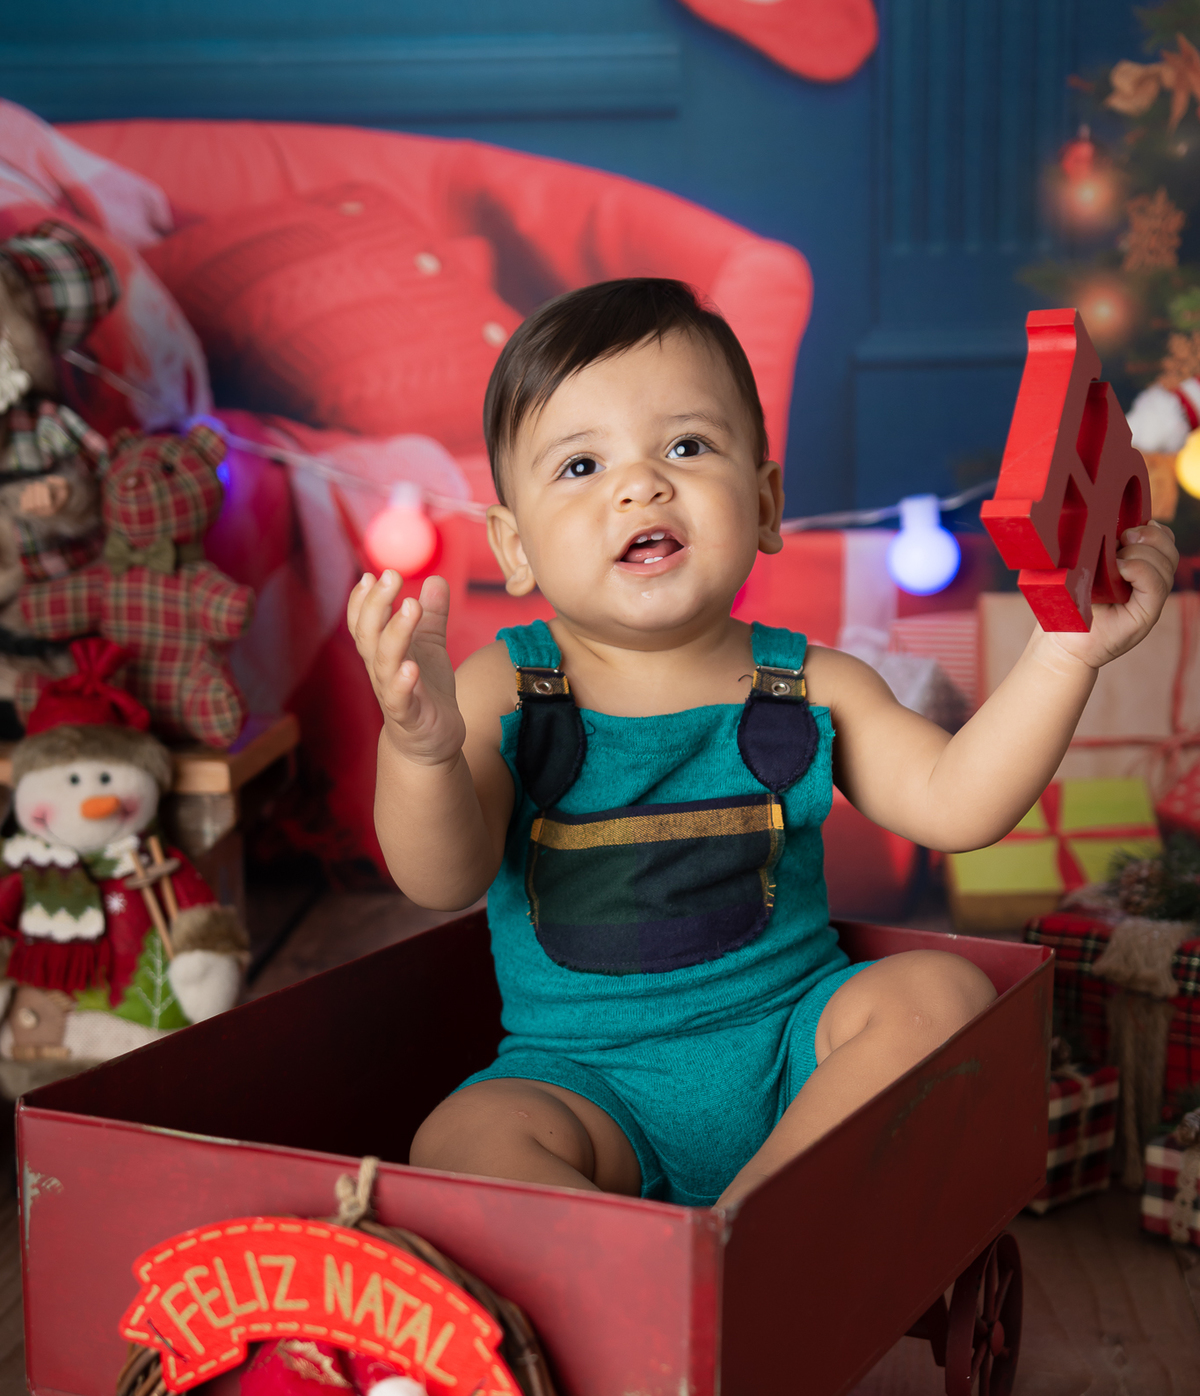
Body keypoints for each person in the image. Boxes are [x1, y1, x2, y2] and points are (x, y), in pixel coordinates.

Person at [348, 278, 1176, 1210]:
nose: (640, 483)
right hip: (587, 1083)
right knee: (459, 1137)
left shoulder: (811, 683)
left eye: (687, 446)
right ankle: (640, 1255)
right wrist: (419, 752)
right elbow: (441, 878)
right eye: (580, 467)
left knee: (938, 993)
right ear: (514, 547)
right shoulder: (508, 688)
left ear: (767, 501)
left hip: (793, 1056)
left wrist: (1067, 651)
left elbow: (959, 803)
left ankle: (755, 1224)